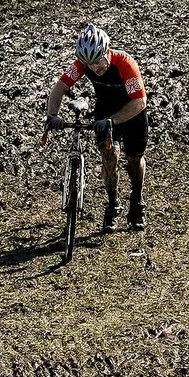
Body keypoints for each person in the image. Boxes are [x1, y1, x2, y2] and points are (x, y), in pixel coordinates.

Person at [39, 24, 149, 231]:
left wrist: (113, 121)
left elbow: (140, 102)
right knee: (109, 156)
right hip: (105, 111)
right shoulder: (83, 64)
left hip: (132, 112)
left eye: (98, 62)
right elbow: (59, 87)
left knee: (134, 159)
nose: (95, 69)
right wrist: (51, 115)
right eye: (89, 65)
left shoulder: (125, 64)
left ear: (107, 51)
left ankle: (137, 201)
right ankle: (112, 205)